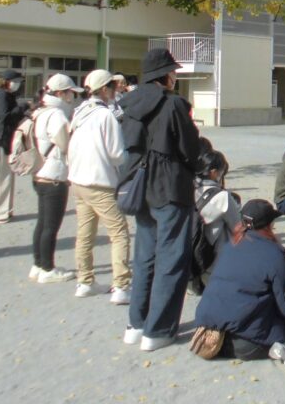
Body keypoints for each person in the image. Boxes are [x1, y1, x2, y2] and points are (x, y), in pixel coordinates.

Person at [119, 48, 203, 352]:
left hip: (139, 184)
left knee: (144, 257)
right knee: (171, 258)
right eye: (173, 71)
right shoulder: (173, 105)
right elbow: (189, 147)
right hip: (170, 185)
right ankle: (158, 330)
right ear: (165, 75)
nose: (175, 76)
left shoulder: (129, 103)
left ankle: (136, 324)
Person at [191, 199, 285, 373]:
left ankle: (276, 348)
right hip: (247, 343)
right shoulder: (272, 253)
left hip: (209, 332)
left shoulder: (230, 245)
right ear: (269, 225)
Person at [68, 69, 131, 303]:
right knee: (119, 233)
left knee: (85, 233)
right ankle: (121, 285)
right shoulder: (106, 116)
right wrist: (128, 156)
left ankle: (85, 281)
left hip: (78, 179)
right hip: (100, 181)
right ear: (104, 89)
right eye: (113, 87)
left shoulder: (79, 112)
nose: (116, 90)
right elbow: (116, 154)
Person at [28, 73, 82, 284]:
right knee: (51, 225)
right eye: (69, 92)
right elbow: (64, 144)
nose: (72, 97)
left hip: (39, 172)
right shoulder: (57, 115)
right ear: (60, 93)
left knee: (42, 223)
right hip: (54, 175)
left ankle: (38, 264)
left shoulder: (39, 111)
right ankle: (48, 268)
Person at [192, 148, 242, 291]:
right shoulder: (222, 197)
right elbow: (238, 228)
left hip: (190, 263)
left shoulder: (190, 189)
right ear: (214, 172)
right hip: (213, 267)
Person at [0, 68, 30, 224]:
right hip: (0, 140)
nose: (17, 85)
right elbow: (6, 116)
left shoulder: (7, 96)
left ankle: (5, 210)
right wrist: (23, 107)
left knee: (6, 177)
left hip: (6, 140)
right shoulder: (2, 95)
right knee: (0, 178)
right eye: (15, 82)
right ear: (7, 82)